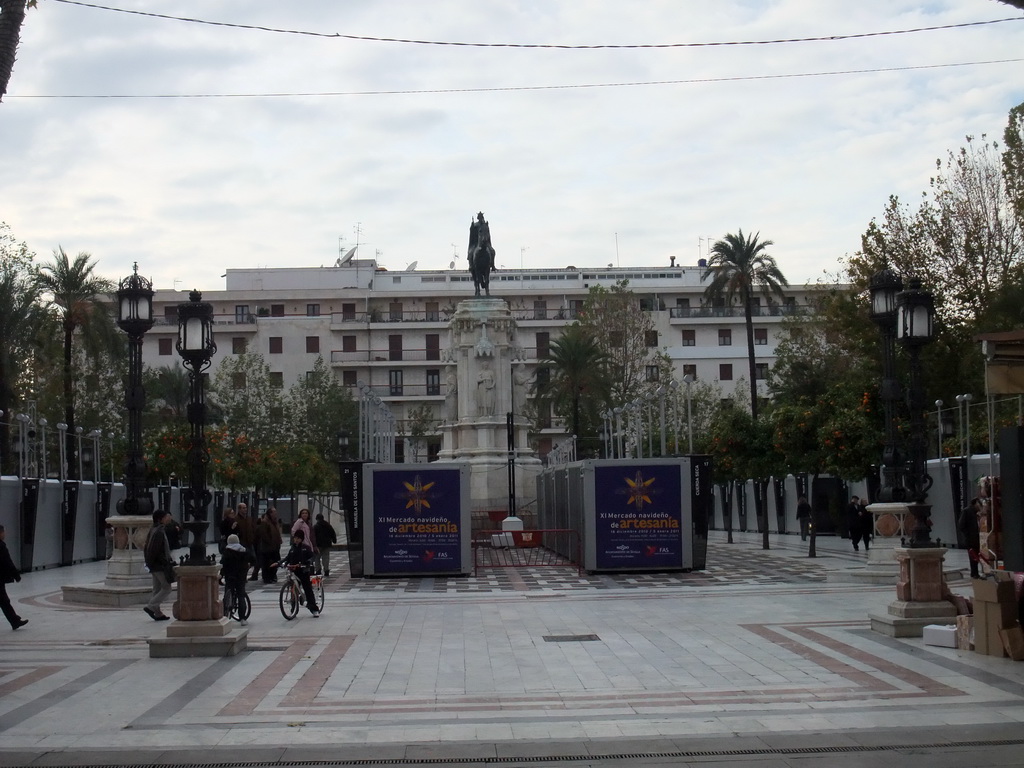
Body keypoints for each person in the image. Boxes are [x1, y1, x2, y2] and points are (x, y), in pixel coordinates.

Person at [277, 530, 319, 617]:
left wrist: (308, 562)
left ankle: (314, 608)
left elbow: (312, 556)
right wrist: (279, 563)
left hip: (303, 571)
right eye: (295, 538)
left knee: (307, 589)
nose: (296, 540)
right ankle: (294, 608)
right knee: (294, 590)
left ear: (301, 539)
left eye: (298, 538)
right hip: (294, 571)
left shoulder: (305, 548)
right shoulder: (292, 549)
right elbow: (288, 558)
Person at [143, 510, 174, 621]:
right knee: (167, 588)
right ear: (160, 519)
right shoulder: (159, 532)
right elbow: (154, 550)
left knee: (157, 589)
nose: (169, 518)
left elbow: (146, 547)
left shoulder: (153, 529)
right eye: (167, 517)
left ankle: (158, 613)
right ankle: (151, 606)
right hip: (158, 565)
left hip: (153, 564)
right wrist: (160, 562)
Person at [220, 533, 254, 625]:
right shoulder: (244, 551)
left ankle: (225, 614)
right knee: (241, 595)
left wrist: (221, 576)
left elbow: (222, 565)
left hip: (230, 577)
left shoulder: (226, 552)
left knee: (227, 593)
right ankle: (242, 618)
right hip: (241, 577)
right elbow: (253, 559)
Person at [0, 524, 28, 630]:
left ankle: (14, 621)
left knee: (4, 601)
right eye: (3, 532)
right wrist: (16, 575)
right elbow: (7, 562)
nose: (5, 534)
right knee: (4, 601)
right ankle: (14, 621)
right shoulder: (1, 546)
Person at [256, 507, 284, 583]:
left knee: (276, 562)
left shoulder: (274, 522)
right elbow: (264, 534)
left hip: (275, 547)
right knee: (267, 563)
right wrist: (270, 542)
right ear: (270, 513)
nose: (276, 513)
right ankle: (267, 578)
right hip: (267, 548)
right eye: (274, 512)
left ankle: (272, 576)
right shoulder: (265, 522)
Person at [958, 497, 982, 578]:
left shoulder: (977, 513)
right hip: (971, 539)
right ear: (975, 503)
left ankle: (976, 573)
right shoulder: (967, 511)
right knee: (973, 556)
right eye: (979, 504)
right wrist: (968, 534)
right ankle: (974, 573)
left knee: (977, 556)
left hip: (977, 538)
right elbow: (961, 525)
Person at [235, 502, 259, 581]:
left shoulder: (249, 518)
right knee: (243, 561)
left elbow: (253, 528)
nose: (245, 509)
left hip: (249, 542)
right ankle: (242, 576)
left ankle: (245, 574)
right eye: (243, 508)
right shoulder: (236, 519)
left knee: (253, 559)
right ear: (239, 509)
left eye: (245, 507)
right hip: (241, 543)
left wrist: (253, 537)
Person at [313, 513, 338, 577]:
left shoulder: (315, 526)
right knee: (326, 558)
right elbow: (333, 533)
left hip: (318, 545)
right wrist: (334, 540)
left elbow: (313, 536)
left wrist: (313, 544)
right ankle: (326, 570)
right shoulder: (328, 525)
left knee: (317, 558)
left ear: (317, 519)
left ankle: (318, 570)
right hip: (327, 544)